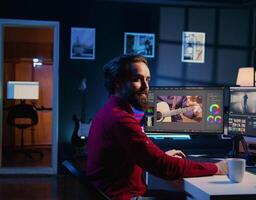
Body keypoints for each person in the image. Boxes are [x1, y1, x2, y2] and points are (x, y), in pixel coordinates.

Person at [86, 54, 227, 200]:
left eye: (147, 79)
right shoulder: (121, 119)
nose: (146, 87)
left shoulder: (110, 111)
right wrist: (217, 168)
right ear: (118, 83)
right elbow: (164, 167)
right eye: (137, 79)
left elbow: (143, 157)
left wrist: (162, 157)